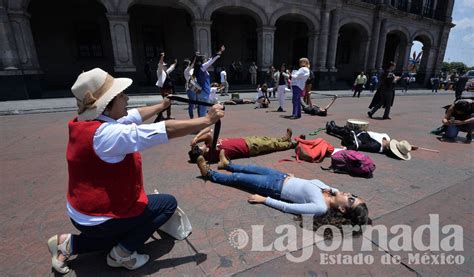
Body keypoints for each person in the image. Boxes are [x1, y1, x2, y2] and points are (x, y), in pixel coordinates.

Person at [47, 68, 225, 273]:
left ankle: (68, 244)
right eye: (122, 95)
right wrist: (206, 120)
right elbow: (162, 130)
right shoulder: (108, 135)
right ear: (108, 103)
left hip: (82, 211)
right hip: (100, 216)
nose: (127, 98)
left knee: (118, 232)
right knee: (167, 204)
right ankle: (122, 254)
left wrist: (162, 104)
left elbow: (134, 115)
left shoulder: (87, 123)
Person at [195, 155, 371, 229]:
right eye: (353, 195)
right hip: (282, 177)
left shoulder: (320, 207)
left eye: (351, 200)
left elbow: (288, 208)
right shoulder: (332, 191)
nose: (349, 195)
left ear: (342, 210)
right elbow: (311, 184)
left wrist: (265, 200)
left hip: (274, 188)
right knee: (251, 168)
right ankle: (227, 165)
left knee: (239, 179)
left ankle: (210, 174)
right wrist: (293, 178)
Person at [188, 128, 296, 163]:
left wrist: (195, 138)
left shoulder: (208, 146)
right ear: (200, 153)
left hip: (245, 140)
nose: (201, 146)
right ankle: (291, 144)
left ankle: (284, 139)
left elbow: (208, 130)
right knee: (271, 145)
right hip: (249, 147)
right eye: (199, 148)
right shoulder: (211, 155)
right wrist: (196, 140)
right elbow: (208, 135)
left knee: (267, 139)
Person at [325, 121, 412, 160]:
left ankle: (331, 128)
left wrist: (346, 148)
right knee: (347, 130)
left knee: (346, 132)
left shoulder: (376, 146)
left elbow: (361, 146)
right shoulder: (388, 138)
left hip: (356, 137)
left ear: (389, 148)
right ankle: (335, 127)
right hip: (361, 133)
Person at [193, 45, 225, 117]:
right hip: (204, 91)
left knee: (202, 110)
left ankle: (200, 125)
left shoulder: (198, 69)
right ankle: (202, 126)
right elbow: (211, 61)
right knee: (203, 112)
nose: (205, 60)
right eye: (204, 59)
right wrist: (219, 52)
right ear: (201, 61)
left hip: (201, 92)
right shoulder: (202, 67)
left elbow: (210, 60)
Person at [155, 53, 177, 121]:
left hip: (169, 89)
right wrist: (162, 57)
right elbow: (160, 64)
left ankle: (168, 116)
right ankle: (159, 112)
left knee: (169, 103)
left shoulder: (166, 72)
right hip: (164, 89)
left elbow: (171, 68)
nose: (166, 66)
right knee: (166, 102)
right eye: (164, 66)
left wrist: (175, 63)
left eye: (165, 66)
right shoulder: (159, 72)